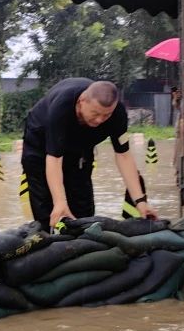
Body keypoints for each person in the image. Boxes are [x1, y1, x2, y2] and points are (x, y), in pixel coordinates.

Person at [21, 78, 156, 231]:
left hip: (80, 147)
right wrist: (59, 202)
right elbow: (54, 159)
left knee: (82, 206)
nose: (100, 120)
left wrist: (140, 202)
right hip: (41, 144)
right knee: (49, 208)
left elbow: (123, 155)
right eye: (95, 113)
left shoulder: (117, 113)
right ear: (81, 101)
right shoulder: (61, 108)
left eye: (106, 115)